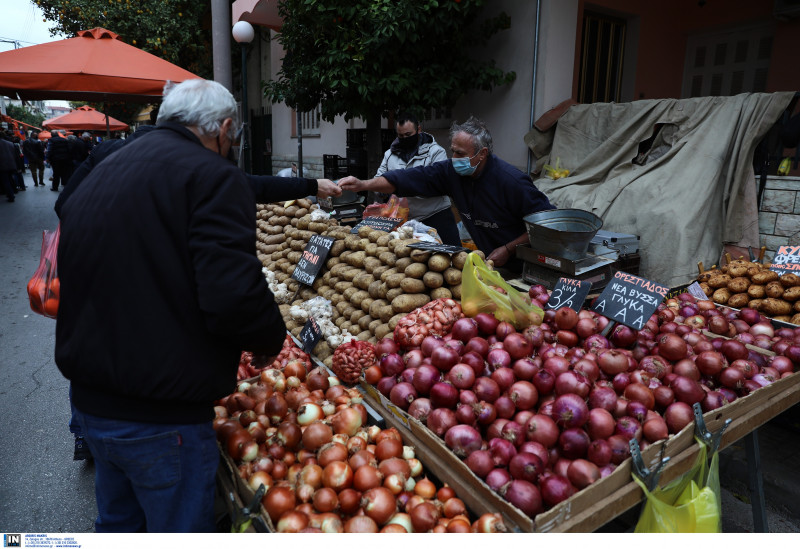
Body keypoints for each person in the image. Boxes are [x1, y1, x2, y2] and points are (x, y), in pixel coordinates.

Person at [55, 78, 288, 532]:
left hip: (93, 401)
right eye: (233, 137)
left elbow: (78, 221)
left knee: (119, 526)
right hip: (161, 415)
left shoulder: (107, 164)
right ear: (223, 129)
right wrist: (267, 339)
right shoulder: (213, 176)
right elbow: (232, 293)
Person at [340, 116, 555, 270]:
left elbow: (548, 225)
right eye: (452, 150)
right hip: (492, 264)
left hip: (527, 267)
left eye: (460, 153)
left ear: (482, 154)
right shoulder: (452, 172)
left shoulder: (512, 181)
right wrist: (363, 184)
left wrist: (508, 249)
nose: (453, 157)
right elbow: (408, 178)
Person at [374, 113, 460, 246]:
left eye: (408, 135)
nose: (405, 139)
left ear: (419, 130)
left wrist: (399, 185)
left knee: (451, 257)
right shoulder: (389, 154)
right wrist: (382, 189)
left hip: (437, 216)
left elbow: (439, 183)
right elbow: (378, 180)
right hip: (406, 222)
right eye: (401, 136)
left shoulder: (436, 152)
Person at [0, 134, 17, 202]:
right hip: (11, 164)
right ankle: (13, 191)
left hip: (2, 166)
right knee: (10, 179)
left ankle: (11, 195)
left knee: (5, 181)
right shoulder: (10, 143)